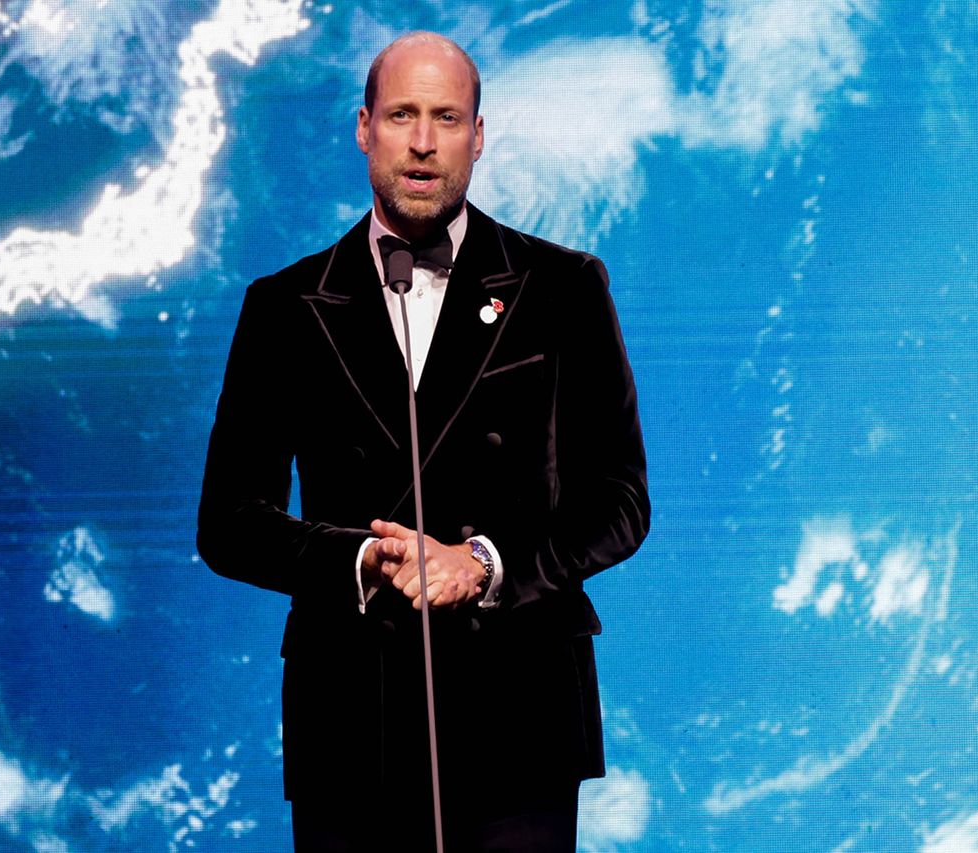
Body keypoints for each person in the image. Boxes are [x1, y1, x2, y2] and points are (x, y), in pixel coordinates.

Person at [197, 31, 649, 852]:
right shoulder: (288, 305)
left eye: (446, 117)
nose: (423, 140)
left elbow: (619, 502)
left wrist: (478, 562)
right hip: (352, 716)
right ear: (364, 127)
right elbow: (229, 519)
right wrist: (356, 560)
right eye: (402, 114)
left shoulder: (562, 289)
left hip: (519, 718)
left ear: (478, 135)